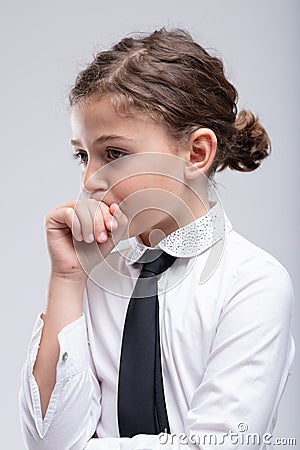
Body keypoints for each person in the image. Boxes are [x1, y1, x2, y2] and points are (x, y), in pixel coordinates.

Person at [19, 29, 295, 450]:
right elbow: (46, 439)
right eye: (82, 154)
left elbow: (219, 446)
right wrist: (68, 278)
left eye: (114, 154)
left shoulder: (252, 283)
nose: (89, 180)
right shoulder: (96, 274)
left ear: (196, 153)